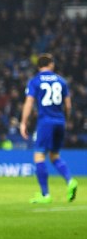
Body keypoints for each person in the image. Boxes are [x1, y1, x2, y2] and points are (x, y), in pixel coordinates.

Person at [20, 53, 78, 204]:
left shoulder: (35, 81)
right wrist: (66, 119)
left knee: (39, 156)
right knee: (54, 156)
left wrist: (23, 122)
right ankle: (70, 181)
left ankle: (45, 195)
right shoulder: (62, 81)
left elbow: (29, 102)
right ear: (51, 64)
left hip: (45, 122)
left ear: (39, 66)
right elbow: (68, 106)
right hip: (60, 121)